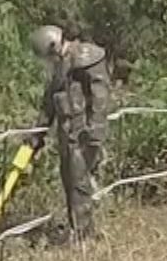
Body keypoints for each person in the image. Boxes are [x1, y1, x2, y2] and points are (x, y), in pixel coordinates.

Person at [28, 25, 111, 244]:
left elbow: (99, 98)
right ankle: (79, 231)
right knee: (70, 183)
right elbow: (49, 106)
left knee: (80, 185)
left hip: (83, 134)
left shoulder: (86, 57)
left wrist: (95, 132)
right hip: (67, 136)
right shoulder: (60, 68)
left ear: (53, 46)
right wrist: (36, 137)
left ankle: (84, 237)